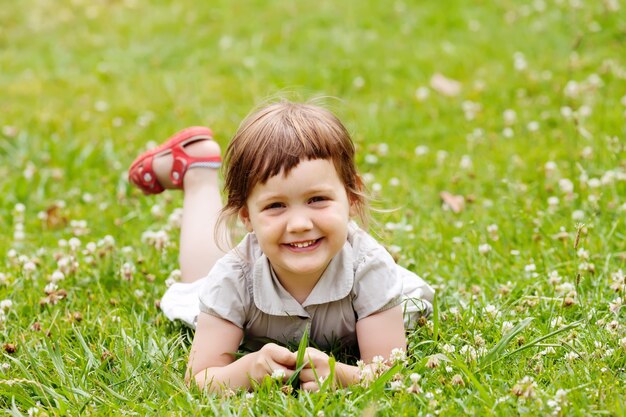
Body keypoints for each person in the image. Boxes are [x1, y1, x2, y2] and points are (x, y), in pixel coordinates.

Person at [128, 100, 434, 392]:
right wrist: (245, 371)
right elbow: (199, 378)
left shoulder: (369, 268)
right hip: (237, 279)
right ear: (246, 215)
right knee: (200, 283)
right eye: (276, 205)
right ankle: (199, 171)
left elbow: (391, 374)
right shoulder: (233, 278)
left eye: (317, 199)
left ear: (351, 197)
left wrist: (342, 374)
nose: (299, 223)